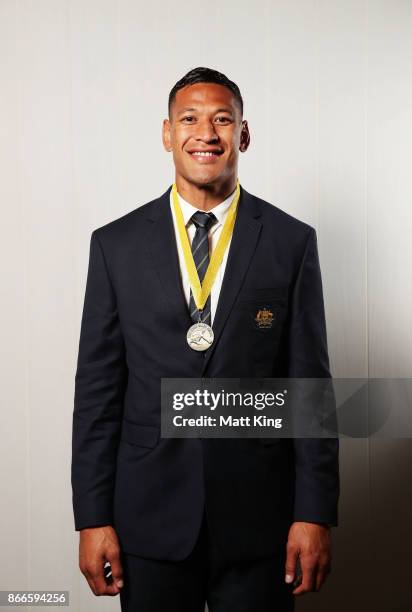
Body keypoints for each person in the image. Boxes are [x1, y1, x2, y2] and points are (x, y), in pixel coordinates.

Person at [71, 66, 339, 612]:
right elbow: (97, 394)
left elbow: (309, 388)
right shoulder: (115, 246)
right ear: (167, 133)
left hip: (260, 520)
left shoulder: (291, 242)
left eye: (223, 120)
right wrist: (92, 517)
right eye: (189, 119)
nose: (206, 133)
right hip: (147, 520)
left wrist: (313, 513)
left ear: (243, 134)